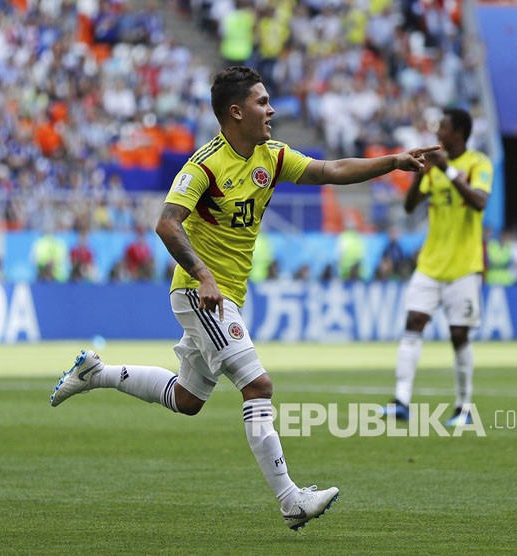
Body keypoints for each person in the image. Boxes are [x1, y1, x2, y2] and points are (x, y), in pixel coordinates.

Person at [49, 66, 438, 530]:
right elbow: (167, 223)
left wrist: (392, 161)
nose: (271, 110)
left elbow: (330, 170)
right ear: (236, 112)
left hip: (225, 294)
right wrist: (203, 275)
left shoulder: (271, 157)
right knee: (259, 387)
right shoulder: (204, 166)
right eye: (262, 102)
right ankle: (291, 499)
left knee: (189, 398)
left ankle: (97, 372)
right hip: (201, 294)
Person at [381, 107, 492, 427]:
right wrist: (422, 173)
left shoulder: (478, 163)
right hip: (430, 263)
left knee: (459, 335)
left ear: (458, 132)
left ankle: (464, 407)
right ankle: (401, 400)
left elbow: (480, 202)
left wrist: (449, 171)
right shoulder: (435, 165)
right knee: (414, 322)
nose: (437, 131)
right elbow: (410, 205)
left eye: (442, 126)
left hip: (464, 266)